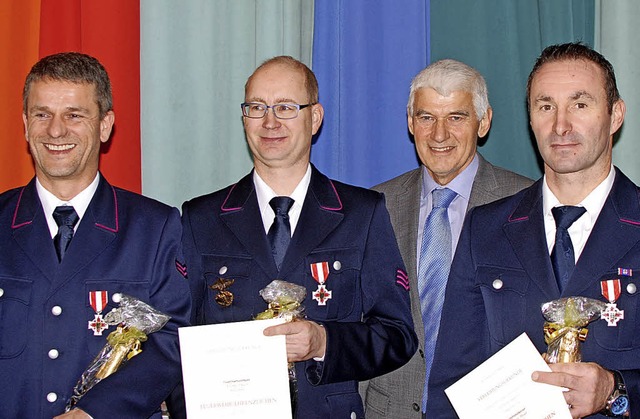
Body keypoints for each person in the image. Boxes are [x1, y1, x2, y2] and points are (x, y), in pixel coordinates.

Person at [174, 55, 418, 418]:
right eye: (257, 107)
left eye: (286, 107)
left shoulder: (361, 214)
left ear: (314, 117)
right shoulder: (201, 218)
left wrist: (324, 342)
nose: (270, 121)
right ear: (244, 118)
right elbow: (175, 342)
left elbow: (398, 336)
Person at [428, 43, 638, 418]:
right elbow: (451, 383)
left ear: (616, 115)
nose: (561, 125)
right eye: (545, 107)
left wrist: (616, 389)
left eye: (580, 104)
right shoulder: (485, 229)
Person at [0, 52, 191, 418]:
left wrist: (96, 412)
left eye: (74, 115)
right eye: (42, 114)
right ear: (25, 124)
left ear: (105, 125)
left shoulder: (153, 228)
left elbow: (173, 340)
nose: (56, 131)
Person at [360, 59, 533, 417]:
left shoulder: (526, 205)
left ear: (483, 123)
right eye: (426, 117)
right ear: (410, 123)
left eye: (456, 117)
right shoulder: (375, 207)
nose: (439, 134)